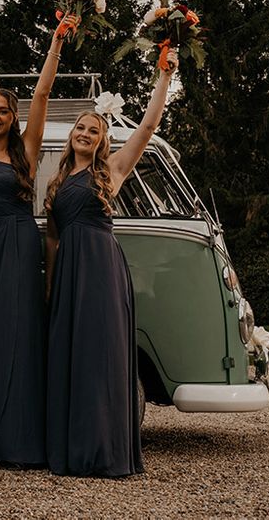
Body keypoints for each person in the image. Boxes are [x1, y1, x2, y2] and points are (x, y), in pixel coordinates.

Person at [44, 51, 178, 477]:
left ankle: (103, 450)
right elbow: (52, 236)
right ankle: (72, 448)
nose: (85, 133)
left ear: (103, 140)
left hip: (101, 269)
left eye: (94, 130)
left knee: (101, 355)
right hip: (68, 272)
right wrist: (51, 282)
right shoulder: (58, 180)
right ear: (71, 136)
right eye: (80, 128)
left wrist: (163, 75)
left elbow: (149, 126)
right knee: (72, 355)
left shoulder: (113, 170)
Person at [0, 16, 75, 465]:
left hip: (21, 245)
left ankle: (23, 438)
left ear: (12, 117)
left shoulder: (25, 152)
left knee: (23, 334)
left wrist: (56, 43)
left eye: (3, 111)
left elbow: (42, 93)